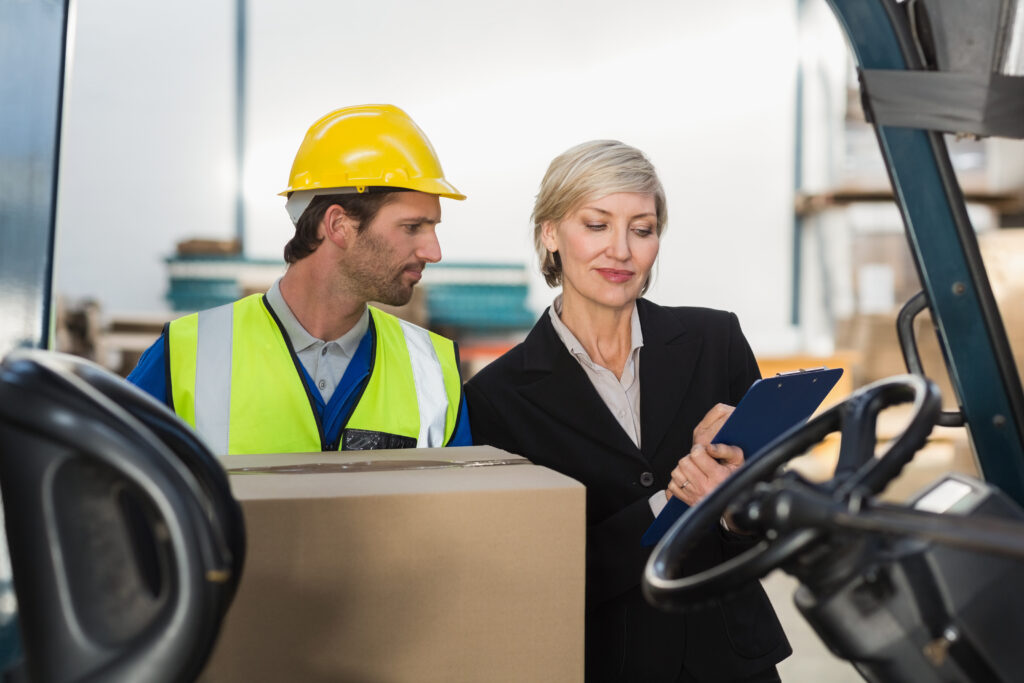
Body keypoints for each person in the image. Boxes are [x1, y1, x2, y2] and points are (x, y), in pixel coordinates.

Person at [464, 140, 791, 682]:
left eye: (641, 229)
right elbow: (537, 577)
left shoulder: (717, 341)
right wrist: (672, 502)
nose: (621, 251)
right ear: (550, 234)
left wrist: (734, 508)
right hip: (607, 665)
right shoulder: (497, 398)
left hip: (731, 661)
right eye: (596, 225)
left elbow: (763, 517)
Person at [128, 104, 472, 455]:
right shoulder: (186, 354)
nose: (434, 251)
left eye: (432, 228)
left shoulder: (433, 369)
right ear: (339, 225)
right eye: (412, 227)